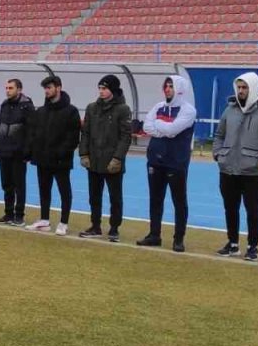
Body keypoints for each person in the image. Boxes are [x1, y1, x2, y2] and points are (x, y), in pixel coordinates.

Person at [212, 72, 258, 262]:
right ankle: (232, 243)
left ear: (253, 88)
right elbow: (219, 135)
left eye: (245, 87)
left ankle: (253, 247)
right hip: (227, 168)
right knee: (230, 208)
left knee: (253, 210)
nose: (241, 91)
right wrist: (218, 154)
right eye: (239, 87)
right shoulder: (229, 110)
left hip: (252, 171)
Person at [136, 75, 196, 251]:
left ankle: (178, 238)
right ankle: (154, 234)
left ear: (179, 89)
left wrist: (158, 125)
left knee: (179, 200)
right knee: (155, 199)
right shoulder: (158, 107)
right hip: (155, 160)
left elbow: (172, 130)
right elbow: (147, 128)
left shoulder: (188, 110)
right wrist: (163, 127)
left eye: (171, 86)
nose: (167, 89)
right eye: (166, 86)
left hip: (176, 162)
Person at [77, 75, 133, 240]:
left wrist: (117, 158)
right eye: (100, 88)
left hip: (112, 162)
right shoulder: (91, 108)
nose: (101, 91)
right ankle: (95, 226)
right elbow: (85, 133)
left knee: (115, 197)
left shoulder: (123, 109)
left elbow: (125, 137)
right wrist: (83, 153)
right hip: (94, 160)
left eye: (105, 88)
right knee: (94, 196)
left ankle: (114, 228)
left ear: (113, 90)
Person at [27, 76, 80, 234]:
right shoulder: (41, 111)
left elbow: (73, 137)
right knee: (44, 190)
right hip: (42, 159)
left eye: (49, 87)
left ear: (58, 88)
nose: (47, 91)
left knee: (64, 191)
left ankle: (63, 222)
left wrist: (60, 153)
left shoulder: (71, 111)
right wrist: (34, 152)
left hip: (60, 160)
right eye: (45, 88)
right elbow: (35, 133)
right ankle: (44, 220)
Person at [0, 79, 32, 225]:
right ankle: (8, 213)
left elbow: (30, 131)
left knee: (19, 185)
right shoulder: (4, 104)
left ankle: (19, 215)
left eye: (11, 88)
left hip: (18, 153)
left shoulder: (27, 106)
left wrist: (27, 152)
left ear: (19, 89)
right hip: (4, 151)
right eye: (6, 88)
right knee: (6, 184)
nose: (7, 90)